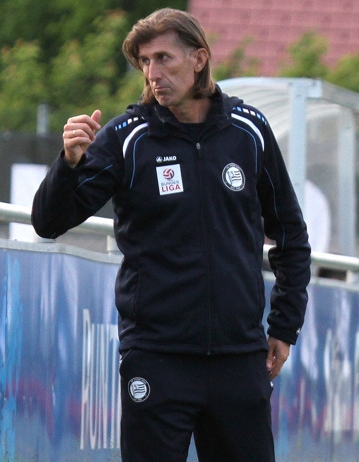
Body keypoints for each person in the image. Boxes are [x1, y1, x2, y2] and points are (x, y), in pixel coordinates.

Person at [31, 8, 311, 462]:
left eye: (164, 58)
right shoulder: (127, 137)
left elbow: (291, 235)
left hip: (239, 358)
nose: (152, 73)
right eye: (144, 62)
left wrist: (284, 324)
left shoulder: (249, 130)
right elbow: (49, 221)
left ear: (199, 59)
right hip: (156, 357)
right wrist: (69, 164)